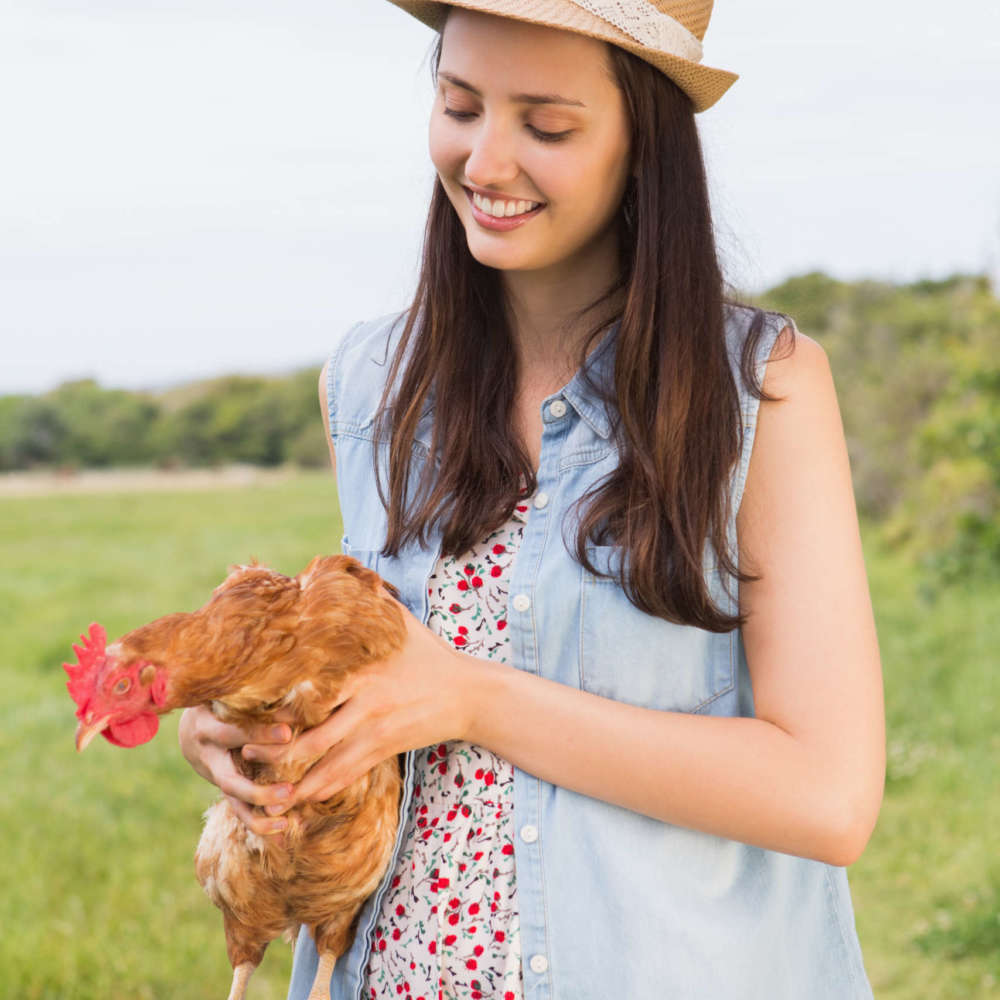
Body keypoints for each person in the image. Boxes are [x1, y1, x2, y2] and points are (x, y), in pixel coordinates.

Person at [179, 2, 885, 998]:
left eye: (546, 126)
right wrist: (246, 724)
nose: (486, 163)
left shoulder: (760, 387)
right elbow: (378, 684)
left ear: (644, 146)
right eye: (460, 106)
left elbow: (827, 795)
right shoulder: (371, 380)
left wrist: (474, 697)